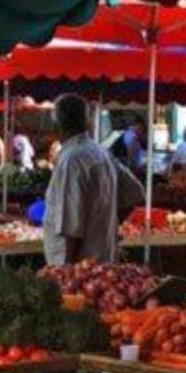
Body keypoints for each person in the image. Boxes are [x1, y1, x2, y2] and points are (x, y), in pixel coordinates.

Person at [42, 94, 120, 266]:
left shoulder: (72, 159)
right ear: (87, 123)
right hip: (102, 258)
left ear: (58, 125)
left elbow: (71, 226)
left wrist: (67, 271)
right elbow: (135, 192)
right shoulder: (100, 152)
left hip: (81, 267)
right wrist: (105, 225)